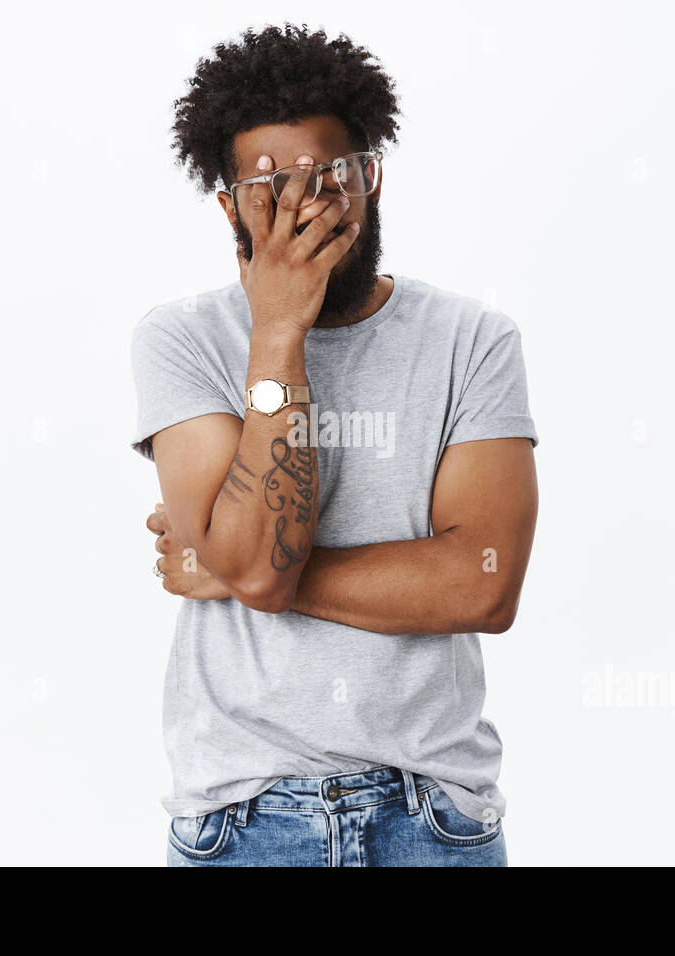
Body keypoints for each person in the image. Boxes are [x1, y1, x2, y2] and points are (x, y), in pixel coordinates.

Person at [131, 22, 539, 866]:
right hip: (242, 821)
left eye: (331, 175)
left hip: (433, 819)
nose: (305, 205)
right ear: (227, 204)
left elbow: (482, 585)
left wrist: (234, 573)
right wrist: (277, 333)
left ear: (373, 178)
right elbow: (257, 563)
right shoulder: (183, 340)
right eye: (270, 185)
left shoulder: (473, 340)